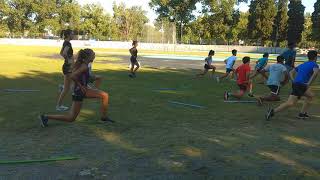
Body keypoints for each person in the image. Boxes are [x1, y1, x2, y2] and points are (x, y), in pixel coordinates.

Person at [39, 49, 114, 127]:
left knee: (104, 95)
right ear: (88, 57)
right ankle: (45, 117)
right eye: (93, 55)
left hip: (81, 90)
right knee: (71, 118)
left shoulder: (84, 65)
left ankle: (104, 117)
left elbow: (83, 77)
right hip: (79, 92)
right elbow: (72, 76)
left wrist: (94, 78)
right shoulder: (84, 66)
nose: (94, 56)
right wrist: (81, 86)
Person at [266, 50, 319, 120]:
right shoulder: (315, 65)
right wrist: (308, 83)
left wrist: (293, 80)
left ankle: (302, 113)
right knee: (290, 103)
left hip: (297, 84)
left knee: (310, 96)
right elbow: (315, 73)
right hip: (301, 85)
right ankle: (272, 112)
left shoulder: (303, 64)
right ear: (315, 57)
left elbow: (291, 72)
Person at [56, 29, 74, 111]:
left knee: (72, 82)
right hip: (68, 67)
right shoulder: (68, 43)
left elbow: (61, 52)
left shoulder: (65, 43)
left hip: (68, 66)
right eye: (72, 34)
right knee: (67, 88)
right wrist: (68, 60)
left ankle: (63, 86)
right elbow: (63, 53)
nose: (73, 35)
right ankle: (58, 106)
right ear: (68, 35)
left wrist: (68, 59)